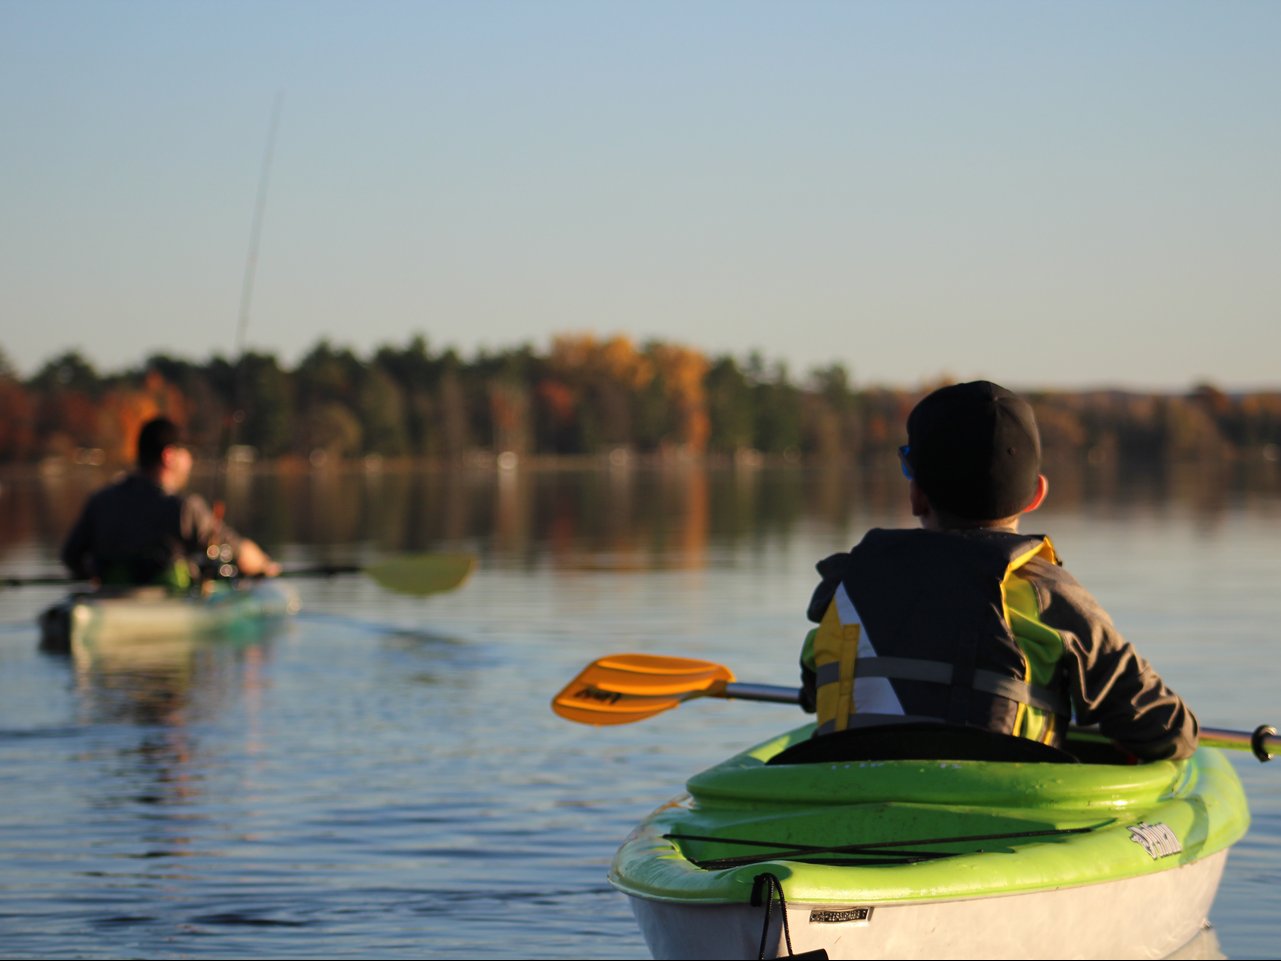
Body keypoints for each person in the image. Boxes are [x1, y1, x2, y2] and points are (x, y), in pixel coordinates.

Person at [799, 380, 1197, 761]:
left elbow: (815, 690)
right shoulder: (1050, 597)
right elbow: (1164, 729)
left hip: (845, 793)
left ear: (916, 494)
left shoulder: (843, 586)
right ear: (1037, 495)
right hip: (999, 810)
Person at [61, 416, 279, 591]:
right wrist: (264, 566)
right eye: (186, 452)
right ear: (168, 456)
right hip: (166, 607)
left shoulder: (100, 502)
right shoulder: (185, 508)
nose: (189, 460)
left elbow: (71, 556)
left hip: (111, 600)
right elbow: (238, 551)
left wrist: (93, 577)